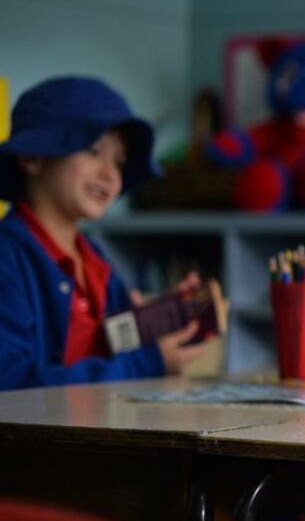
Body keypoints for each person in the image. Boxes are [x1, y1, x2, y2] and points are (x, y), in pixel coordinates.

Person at [0, 76, 208, 391]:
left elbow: (116, 350)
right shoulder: (7, 256)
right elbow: (9, 382)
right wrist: (147, 363)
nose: (110, 174)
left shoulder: (95, 259)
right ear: (32, 157)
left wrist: (158, 318)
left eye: (120, 163)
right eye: (94, 151)